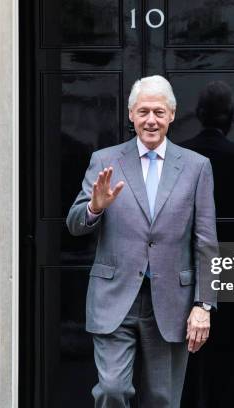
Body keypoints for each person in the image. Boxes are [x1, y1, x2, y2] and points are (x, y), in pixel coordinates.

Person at [66, 75, 219, 408]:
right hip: (114, 296)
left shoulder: (196, 167)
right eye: (144, 111)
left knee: (163, 399)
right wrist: (94, 207)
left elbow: (206, 241)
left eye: (159, 112)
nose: (151, 120)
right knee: (111, 390)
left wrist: (203, 305)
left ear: (172, 116)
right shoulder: (105, 161)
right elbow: (74, 224)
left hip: (170, 302)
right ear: (131, 115)